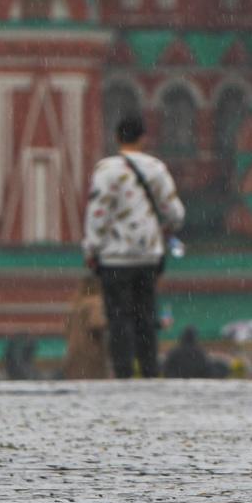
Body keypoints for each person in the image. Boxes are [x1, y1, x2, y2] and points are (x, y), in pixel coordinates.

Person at [82, 114, 183, 379]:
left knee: (118, 317)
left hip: (114, 258)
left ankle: (123, 371)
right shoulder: (156, 169)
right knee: (146, 314)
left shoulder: (106, 171)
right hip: (148, 255)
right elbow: (174, 212)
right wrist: (166, 228)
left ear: (117, 138)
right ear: (143, 138)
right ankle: (149, 369)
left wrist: (92, 248)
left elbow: (97, 213)